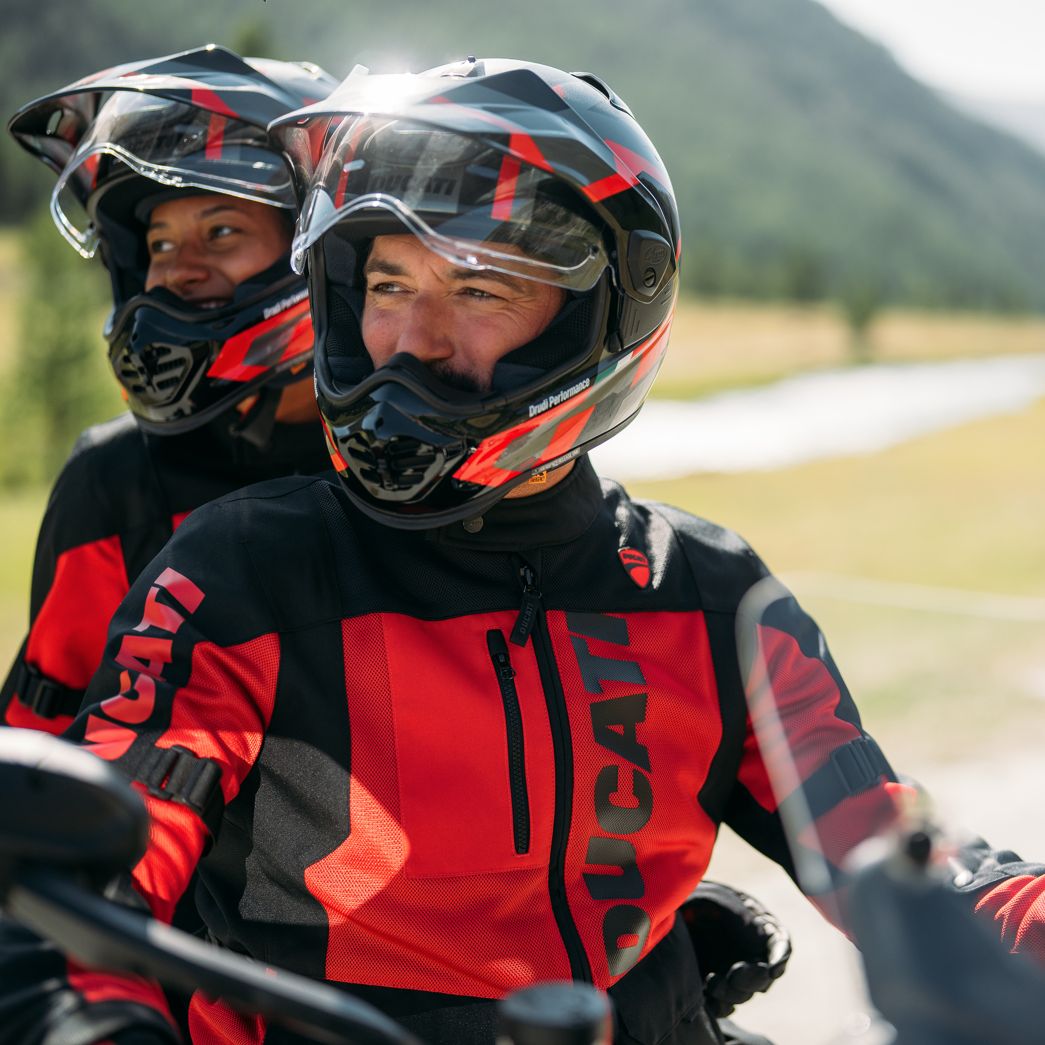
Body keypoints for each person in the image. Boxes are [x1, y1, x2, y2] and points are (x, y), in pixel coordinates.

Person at [1, 57, 1040, 1045]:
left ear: (597, 320)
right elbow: (103, 865)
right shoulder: (239, 574)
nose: (413, 338)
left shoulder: (706, 595)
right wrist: (87, 1016)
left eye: (480, 289)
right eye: (389, 283)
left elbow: (905, 856)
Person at [0, 45, 338, 736]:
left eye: (220, 231)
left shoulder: (397, 468)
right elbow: (38, 758)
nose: (175, 272)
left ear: (315, 250)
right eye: (157, 243)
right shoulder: (117, 483)